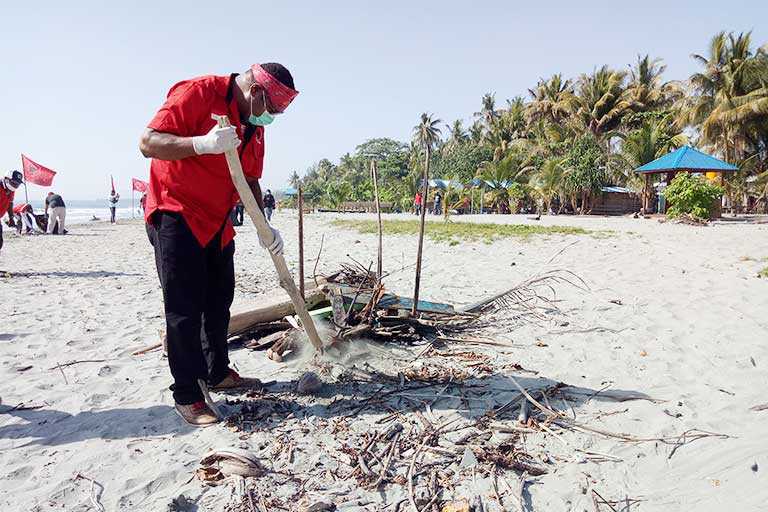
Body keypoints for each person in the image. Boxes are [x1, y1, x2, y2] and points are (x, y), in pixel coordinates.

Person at [139, 62, 297, 426]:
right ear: (256, 92)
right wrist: (201, 144)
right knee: (184, 306)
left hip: (217, 221)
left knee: (219, 297)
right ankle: (189, 395)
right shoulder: (198, 92)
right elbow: (148, 143)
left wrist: (265, 227)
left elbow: (250, 179)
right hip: (175, 212)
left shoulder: (254, 126)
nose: (270, 118)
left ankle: (217, 372)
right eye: (271, 110)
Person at [0, 171, 22, 254]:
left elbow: (9, 203)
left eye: (18, 184)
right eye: (14, 182)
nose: (16, 186)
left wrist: (11, 218)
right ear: (6, 179)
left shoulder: (11, 190)